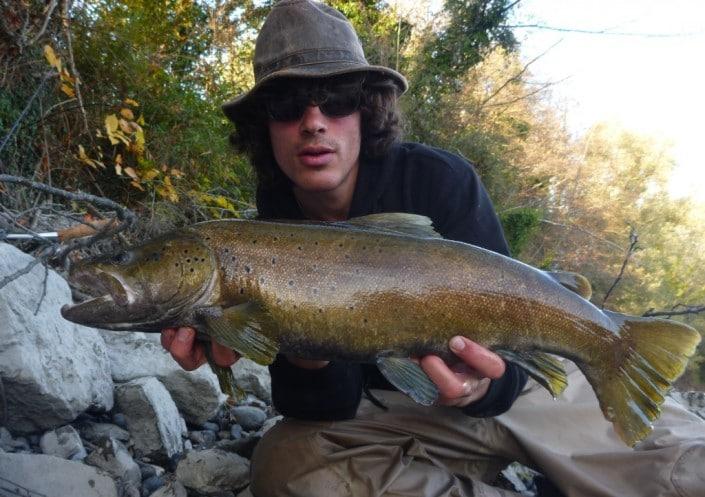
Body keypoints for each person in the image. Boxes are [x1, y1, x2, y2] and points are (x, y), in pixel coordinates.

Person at [161, 1, 705, 496]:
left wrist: (475, 388)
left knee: (686, 472)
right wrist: (303, 347)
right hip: (401, 412)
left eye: (338, 98)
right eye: (286, 104)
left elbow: (515, 363)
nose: (313, 120)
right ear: (264, 127)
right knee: (286, 466)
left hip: (525, 389)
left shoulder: (440, 179)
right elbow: (322, 406)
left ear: (366, 109)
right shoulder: (265, 226)